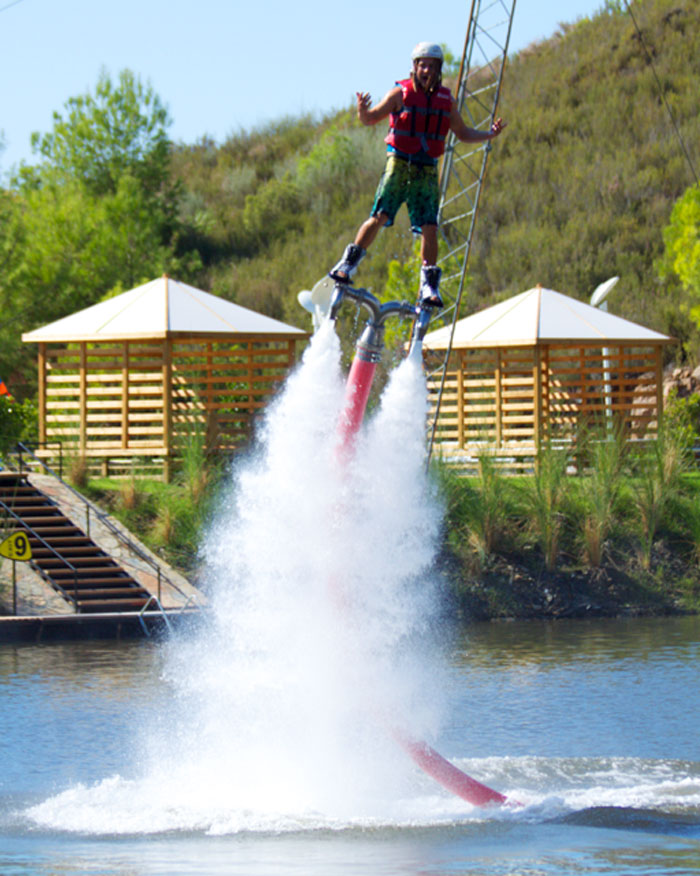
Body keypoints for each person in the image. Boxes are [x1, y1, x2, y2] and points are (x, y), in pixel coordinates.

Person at [329, 42, 506, 308]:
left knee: (430, 227)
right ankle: (348, 264)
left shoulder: (446, 102)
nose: (427, 70)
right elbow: (370, 118)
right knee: (380, 216)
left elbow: (463, 132)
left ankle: (428, 284)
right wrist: (362, 110)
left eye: (432, 67)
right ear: (414, 68)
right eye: (422, 65)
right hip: (399, 164)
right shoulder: (399, 94)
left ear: (438, 71)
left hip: (426, 169)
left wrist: (489, 134)